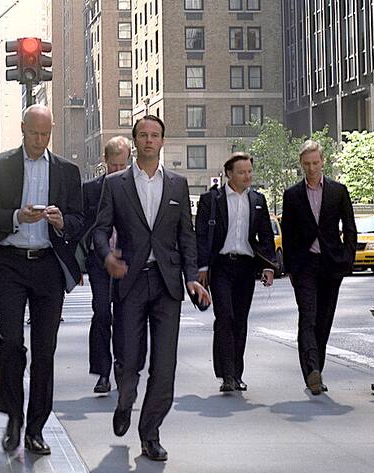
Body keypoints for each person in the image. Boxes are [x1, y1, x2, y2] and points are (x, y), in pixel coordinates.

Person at [92, 115, 210, 462]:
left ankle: (150, 433)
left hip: (167, 284)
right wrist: (107, 258)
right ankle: (125, 399)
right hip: (130, 280)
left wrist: (192, 277)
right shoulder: (116, 184)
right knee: (129, 360)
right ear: (134, 142)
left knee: (164, 365)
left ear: (162, 141)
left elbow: (186, 236)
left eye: (154, 135)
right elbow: (100, 230)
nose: (148, 140)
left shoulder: (176, 184)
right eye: (142, 135)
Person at [0, 104, 84, 456]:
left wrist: (62, 221)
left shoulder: (67, 171)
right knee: (11, 345)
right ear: (22, 129)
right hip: (10, 263)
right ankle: (13, 419)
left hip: (49, 266)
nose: (39, 140)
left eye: (45, 134)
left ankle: (36, 428)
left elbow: (81, 219)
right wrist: (16, 216)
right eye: (34, 133)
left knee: (45, 350)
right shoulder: (2, 165)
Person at [195, 152, 277, 392]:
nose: (247, 176)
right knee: (225, 318)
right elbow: (200, 234)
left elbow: (266, 238)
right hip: (221, 266)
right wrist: (202, 268)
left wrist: (268, 266)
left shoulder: (258, 200)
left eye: (250, 171)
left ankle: (236, 374)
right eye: (242, 172)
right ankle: (227, 375)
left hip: (246, 267)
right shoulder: (212, 200)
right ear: (229, 174)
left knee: (240, 321)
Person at [281, 140, 357, 395]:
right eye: (307, 164)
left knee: (323, 320)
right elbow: (288, 234)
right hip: (304, 266)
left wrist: (347, 259)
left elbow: (349, 228)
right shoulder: (292, 195)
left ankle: (317, 370)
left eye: (315, 163)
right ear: (301, 165)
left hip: (331, 264)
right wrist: (291, 268)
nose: (311, 168)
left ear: (323, 162)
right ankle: (312, 370)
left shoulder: (338, 191)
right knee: (308, 316)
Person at [82, 135, 131, 394]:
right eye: (113, 165)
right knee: (102, 313)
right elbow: (82, 226)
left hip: (126, 262)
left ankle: (122, 368)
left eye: (122, 166)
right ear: (105, 161)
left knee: (124, 317)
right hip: (99, 262)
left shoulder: (135, 187)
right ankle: (102, 373)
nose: (117, 171)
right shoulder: (90, 189)